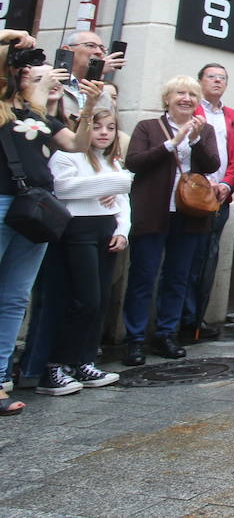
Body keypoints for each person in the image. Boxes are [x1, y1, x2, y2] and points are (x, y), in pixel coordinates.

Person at [0, 33, 82, 415]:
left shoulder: (35, 113)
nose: (33, 71)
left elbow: (77, 145)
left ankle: (0, 378)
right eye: (24, 67)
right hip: (2, 202)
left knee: (15, 297)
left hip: (34, 209)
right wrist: (10, 38)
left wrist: (93, 99)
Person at [122, 76, 220, 366]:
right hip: (153, 211)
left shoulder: (206, 130)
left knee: (178, 277)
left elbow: (213, 165)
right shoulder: (148, 128)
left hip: (189, 214)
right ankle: (134, 339)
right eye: (180, 93)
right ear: (167, 99)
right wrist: (172, 144)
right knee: (143, 276)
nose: (186, 99)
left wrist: (195, 141)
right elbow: (135, 162)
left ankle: (167, 333)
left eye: (192, 94)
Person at [39, 107, 132, 395]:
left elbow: (123, 201)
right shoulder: (67, 156)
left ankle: (84, 361)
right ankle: (55, 366)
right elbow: (63, 188)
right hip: (77, 230)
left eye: (111, 128)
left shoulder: (112, 163)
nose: (104, 133)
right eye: (97, 127)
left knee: (101, 299)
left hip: (106, 231)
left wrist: (122, 231)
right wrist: (112, 185)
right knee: (85, 299)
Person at [182, 63, 234, 342]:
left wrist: (228, 182)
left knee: (209, 260)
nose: (217, 81)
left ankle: (198, 320)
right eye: (211, 76)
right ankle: (181, 321)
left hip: (220, 197)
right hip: (192, 195)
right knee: (186, 260)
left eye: (222, 77)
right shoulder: (191, 111)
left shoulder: (231, 116)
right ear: (200, 81)